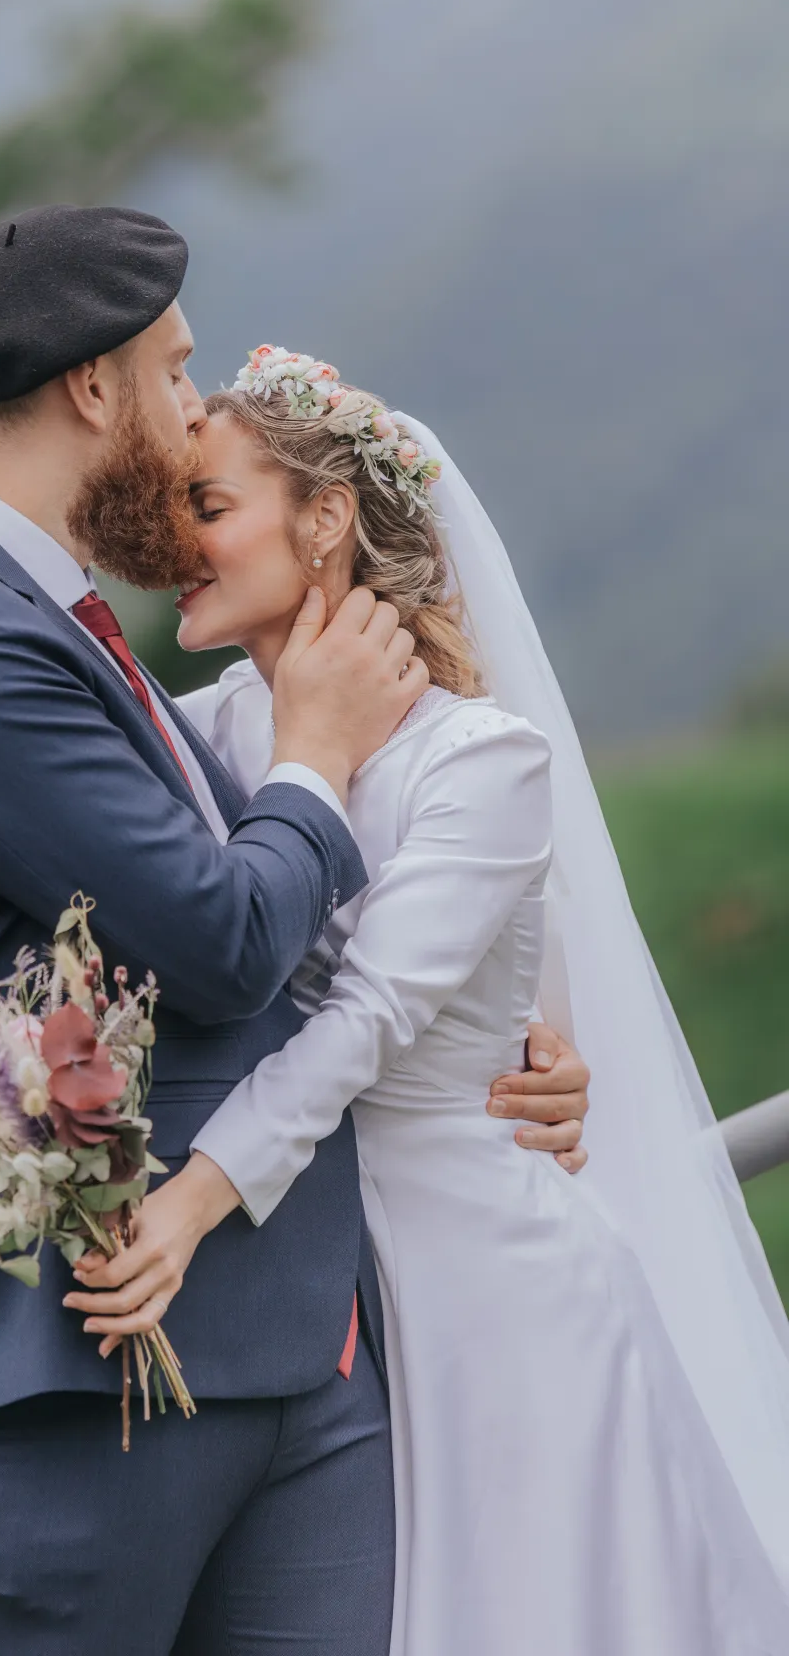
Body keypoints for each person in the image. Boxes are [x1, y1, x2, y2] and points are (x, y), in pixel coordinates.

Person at [0, 205, 590, 1656]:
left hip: (299, 1340)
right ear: (93, 390)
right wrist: (316, 753)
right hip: (76, 1361)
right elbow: (224, 934)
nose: (188, 428)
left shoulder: (55, 619)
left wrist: (494, 1046)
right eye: (174, 378)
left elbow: (323, 943)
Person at [67, 351, 789, 1654]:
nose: (175, 542)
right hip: (322, 1304)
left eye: (210, 505)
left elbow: (372, 1017)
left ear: (328, 519)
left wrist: (191, 1195)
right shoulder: (206, 735)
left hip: (492, 1295)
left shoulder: (483, 759)